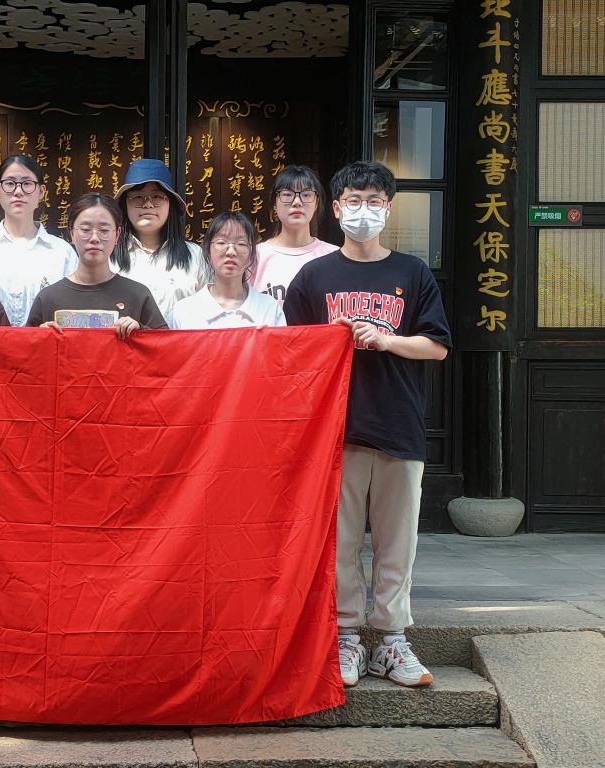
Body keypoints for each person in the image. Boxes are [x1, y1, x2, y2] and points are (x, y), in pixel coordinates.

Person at [283, 161, 451, 690]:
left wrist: (385, 339)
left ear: (388, 209)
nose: (364, 210)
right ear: (335, 209)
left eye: (374, 201)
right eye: (354, 201)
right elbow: (292, 353)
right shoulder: (314, 277)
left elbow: (437, 346)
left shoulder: (413, 273)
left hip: (399, 424)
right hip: (337, 429)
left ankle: (393, 640)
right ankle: (347, 637)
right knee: (342, 541)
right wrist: (327, 338)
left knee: (398, 542)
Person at [27, 193, 166, 339]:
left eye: (104, 231)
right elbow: (23, 347)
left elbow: (166, 345)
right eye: (85, 230)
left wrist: (141, 331)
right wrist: (40, 337)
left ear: (117, 235)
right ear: (72, 234)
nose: (94, 238)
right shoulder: (48, 298)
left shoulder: (138, 295)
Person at [0, 154, 78, 327]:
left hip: (45, 343)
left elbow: (73, 309)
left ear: (41, 192)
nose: (18, 192)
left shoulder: (63, 253)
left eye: (27, 184)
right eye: (10, 183)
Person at [111, 158, 206, 318]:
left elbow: (210, 310)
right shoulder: (108, 256)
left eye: (157, 197)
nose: (147, 205)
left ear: (170, 203)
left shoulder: (195, 256)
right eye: (137, 197)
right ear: (124, 205)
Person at [167, 212, 284, 330]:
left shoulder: (269, 309)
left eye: (241, 244)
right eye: (221, 243)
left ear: (251, 255)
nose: (231, 252)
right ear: (208, 253)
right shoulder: (183, 312)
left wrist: (267, 338)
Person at [250, 165, 337, 307]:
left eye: (306, 195)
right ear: (274, 204)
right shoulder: (255, 256)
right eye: (287, 195)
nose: (297, 202)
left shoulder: (334, 256)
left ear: (316, 203)